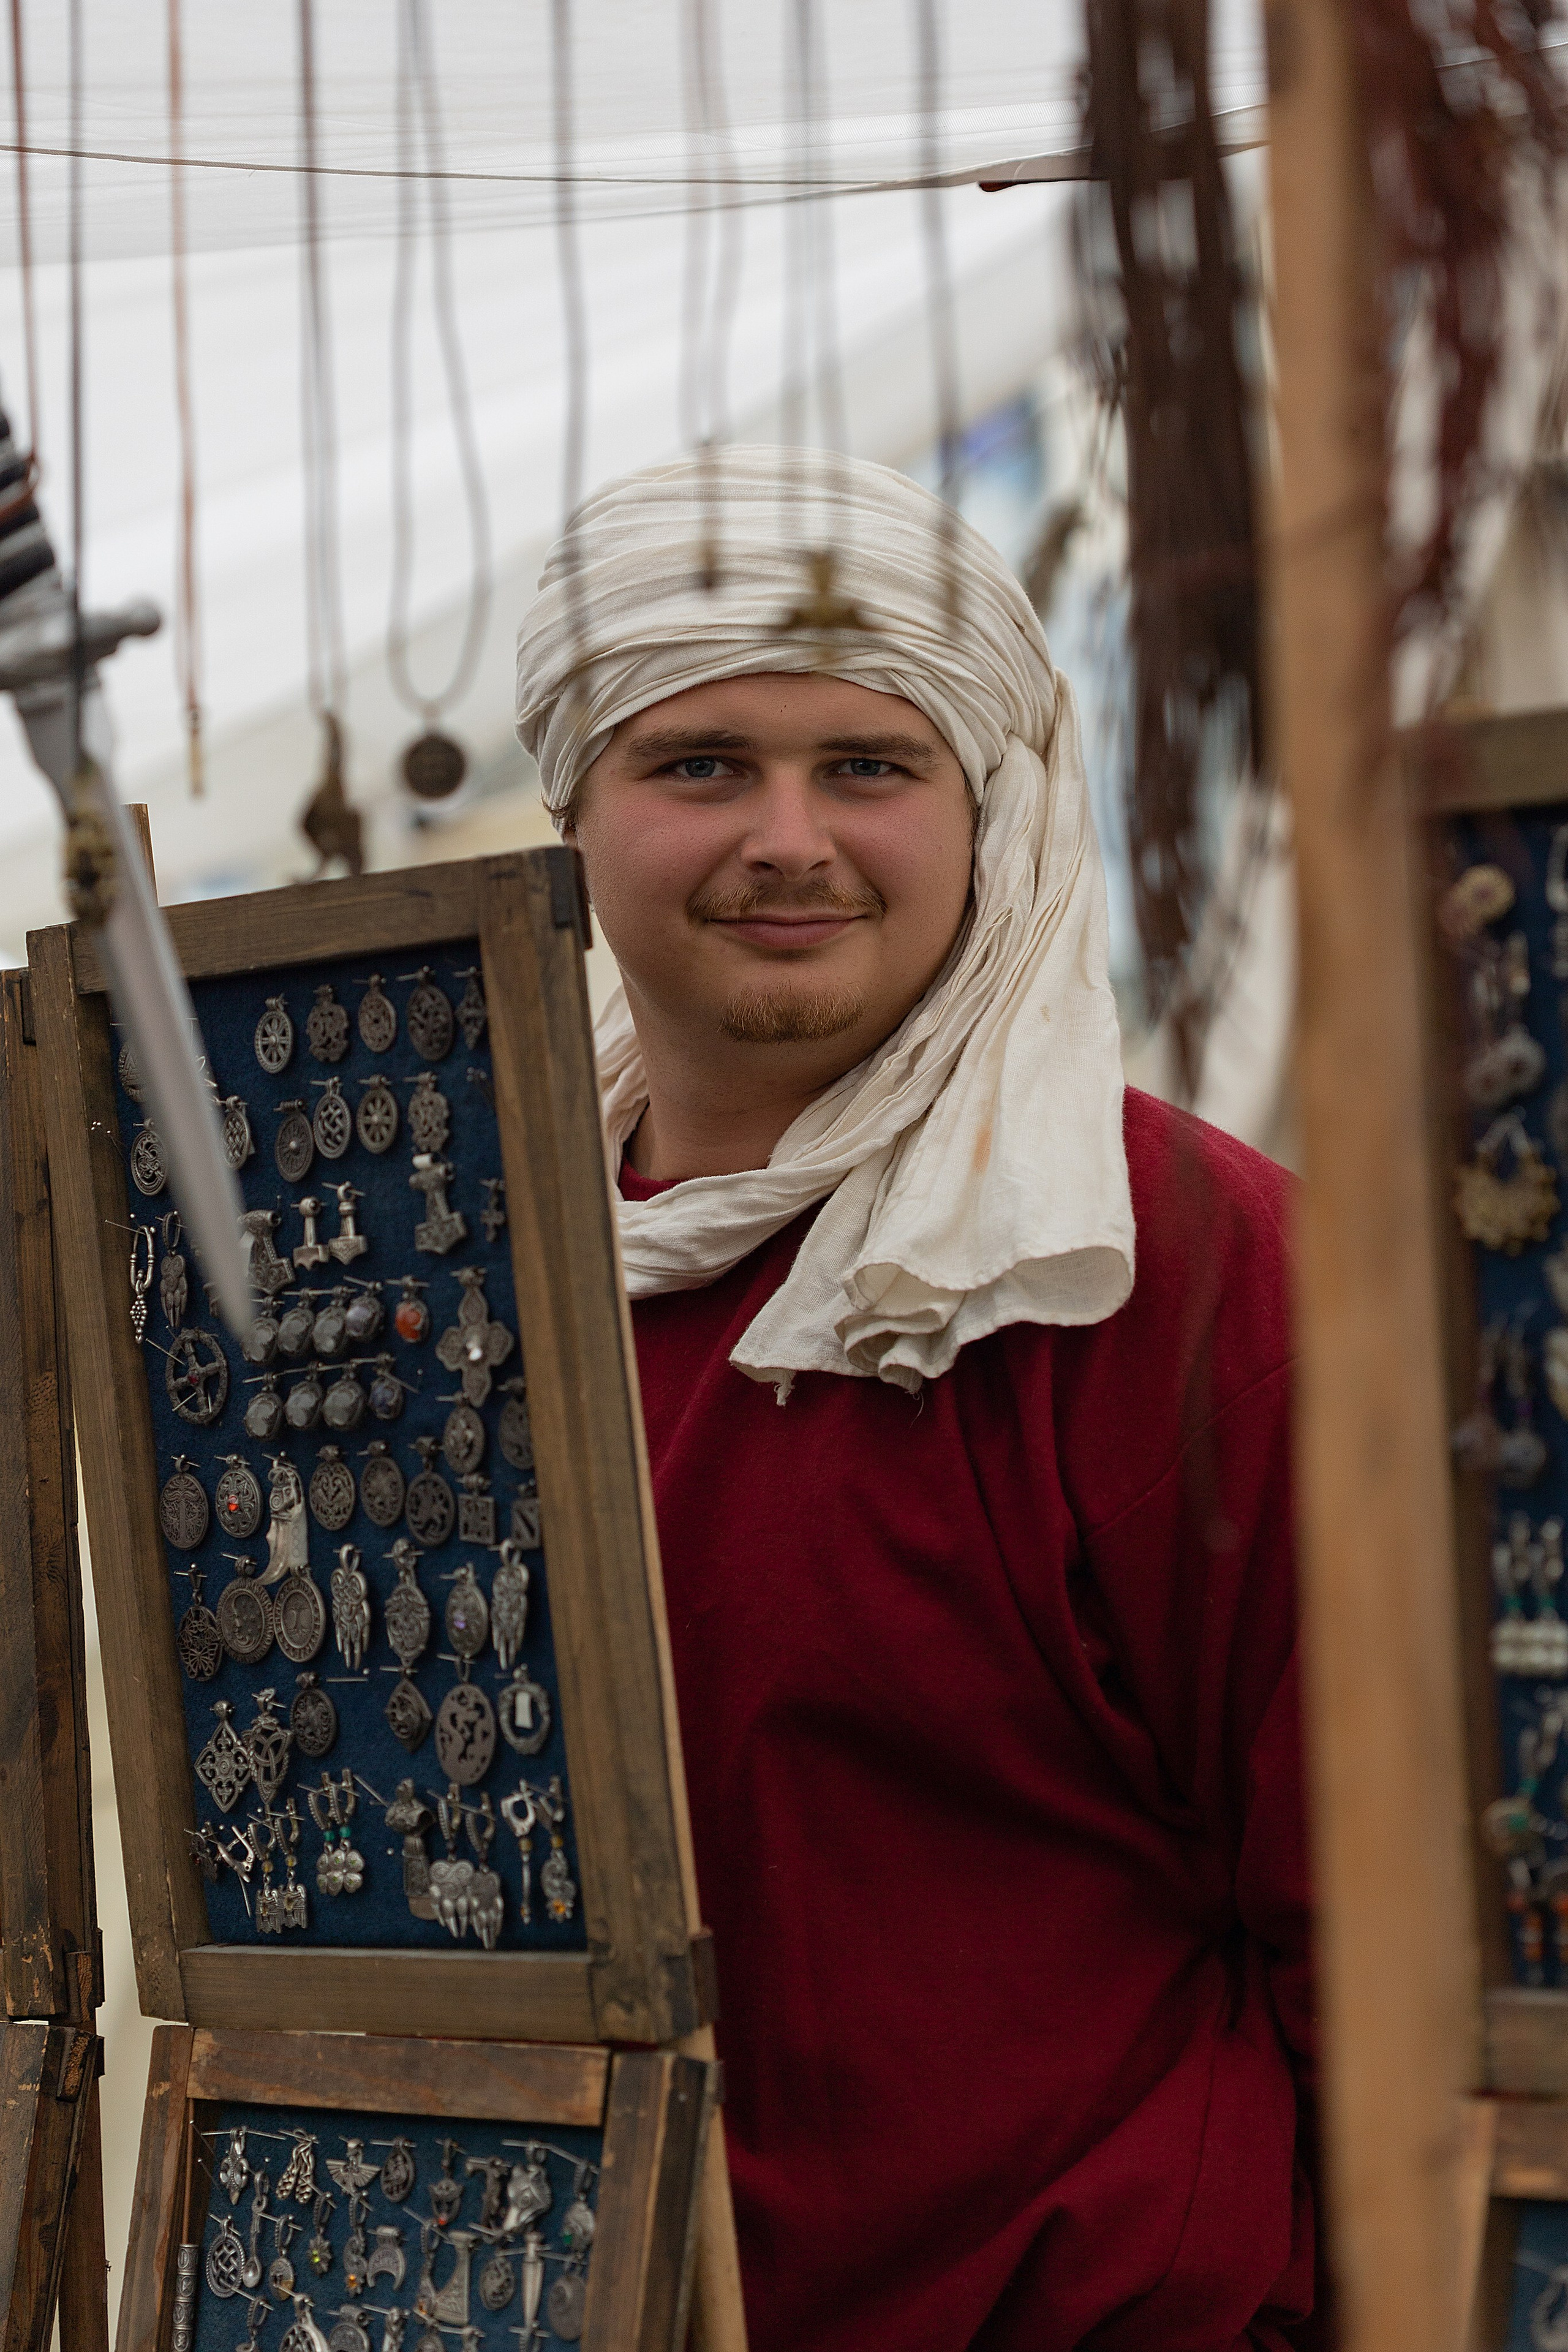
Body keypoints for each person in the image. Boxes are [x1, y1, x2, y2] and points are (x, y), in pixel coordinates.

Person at [516, 448, 1315, 2352]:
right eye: (699, 763)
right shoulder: (468, 1270)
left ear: (985, 804)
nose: (787, 836)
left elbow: (1396, 1929)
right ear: (574, 808)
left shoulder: (1173, 1267)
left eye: (869, 767)